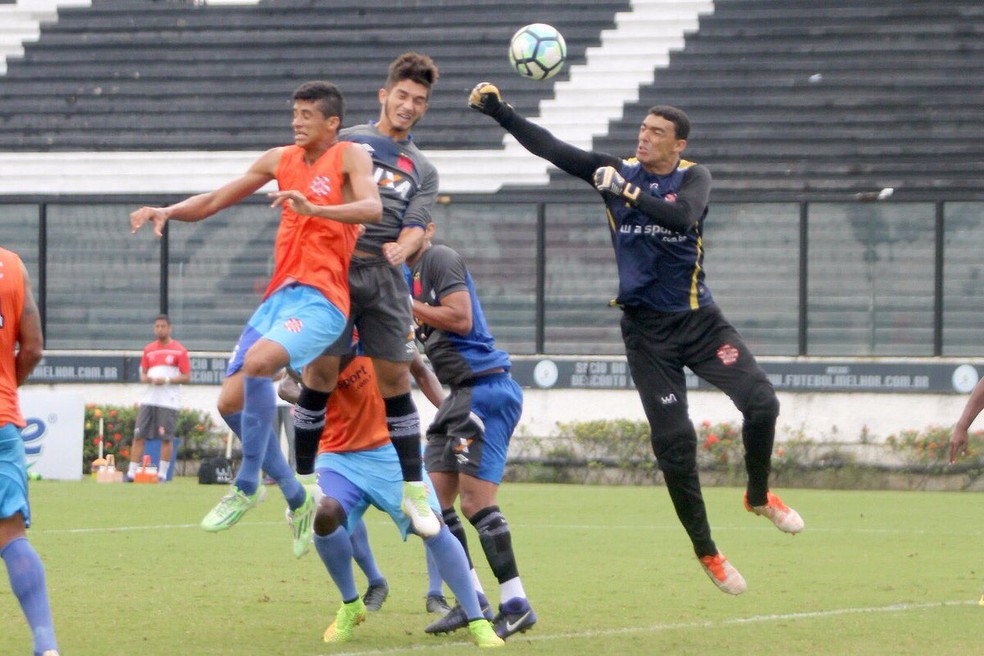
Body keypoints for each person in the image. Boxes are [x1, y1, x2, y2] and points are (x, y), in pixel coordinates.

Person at [468, 83, 804, 594]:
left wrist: (628, 193)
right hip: (647, 335)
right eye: (643, 129)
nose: (644, 138)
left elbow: (682, 217)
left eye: (657, 133)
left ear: (678, 144)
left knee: (762, 403)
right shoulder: (616, 169)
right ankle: (708, 551)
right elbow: (553, 149)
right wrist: (502, 113)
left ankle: (758, 497)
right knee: (675, 443)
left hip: (700, 322)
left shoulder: (693, 177)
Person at [130, 80, 382, 558]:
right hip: (279, 299)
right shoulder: (280, 159)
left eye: (307, 114)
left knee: (260, 364)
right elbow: (214, 200)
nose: (296, 121)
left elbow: (373, 207)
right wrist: (169, 210)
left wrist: (315, 207)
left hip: (322, 300)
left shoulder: (349, 155)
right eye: (295, 112)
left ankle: (247, 485)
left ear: (332, 123)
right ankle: (296, 496)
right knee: (230, 403)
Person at [289, 53, 443, 538]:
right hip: (335, 269)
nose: (409, 105)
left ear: (425, 107)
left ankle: (414, 491)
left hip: (384, 276)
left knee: (395, 381)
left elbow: (417, 224)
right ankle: (303, 486)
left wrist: (406, 245)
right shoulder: (349, 141)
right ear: (384, 95)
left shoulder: (423, 168)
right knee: (320, 375)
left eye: (419, 100)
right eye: (402, 95)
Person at [300, 352, 503, 647]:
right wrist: (311, 394)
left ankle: (478, 620)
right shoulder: (317, 336)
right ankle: (351, 604)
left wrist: (453, 415)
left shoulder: (384, 333)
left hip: (389, 452)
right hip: (338, 456)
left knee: (432, 525)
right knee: (324, 513)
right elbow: (287, 383)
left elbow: (420, 370)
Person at [405, 223, 536, 639]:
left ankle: (516, 605)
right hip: (460, 397)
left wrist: (408, 305)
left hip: (484, 389)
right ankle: (472, 601)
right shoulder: (405, 277)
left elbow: (461, 319)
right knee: (430, 506)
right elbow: (417, 363)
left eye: (407, 227)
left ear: (426, 229)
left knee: (476, 503)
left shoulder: (439, 258)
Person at [0, 247, 60, 656]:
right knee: (11, 535)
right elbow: (34, 348)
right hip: (2, 419)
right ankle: (46, 645)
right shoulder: (12, 265)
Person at [126, 314, 191, 482]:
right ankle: (131, 474)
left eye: (163, 326)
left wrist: (166, 380)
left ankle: (162, 475)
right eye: (157, 326)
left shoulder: (179, 351)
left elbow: (186, 376)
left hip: (168, 401)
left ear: (169, 328)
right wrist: (147, 379)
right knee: (138, 435)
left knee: (166, 438)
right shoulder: (149, 349)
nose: (160, 329)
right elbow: (143, 374)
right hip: (149, 399)